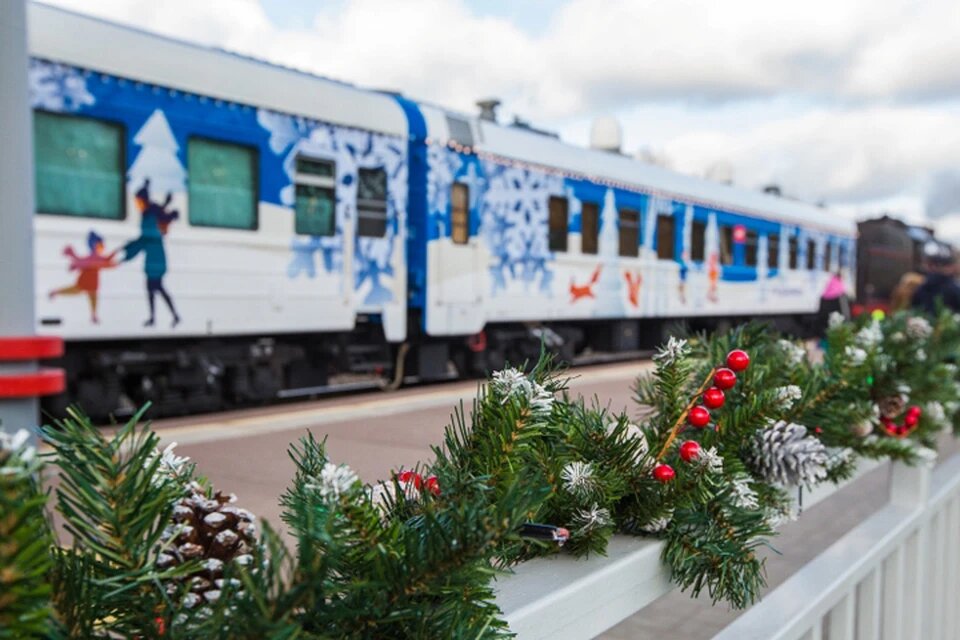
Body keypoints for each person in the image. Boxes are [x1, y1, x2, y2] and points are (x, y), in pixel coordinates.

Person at [123, 179, 181, 327]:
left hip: (156, 256)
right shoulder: (149, 213)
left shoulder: (150, 215)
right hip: (153, 257)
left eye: (138, 201)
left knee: (155, 287)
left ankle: (163, 317)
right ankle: (162, 317)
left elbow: (146, 237)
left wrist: (129, 250)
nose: (137, 204)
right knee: (154, 287)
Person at [49, 230, 118, 323]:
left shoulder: (96, 258)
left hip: (93, 281)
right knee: (77, 291)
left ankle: (94, 315)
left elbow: (106, 261)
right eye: (100, 245)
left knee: (92, 296)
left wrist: (114, 255)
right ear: (94, 245)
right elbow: (104, 262)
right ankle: (55, 292)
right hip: (86, 279)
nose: (102, 248)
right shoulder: (94, 258)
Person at [910, 241, 960, 315]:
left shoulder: (922, 286)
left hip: (924, 323)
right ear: (950, 267)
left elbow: (913, 307)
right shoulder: (954, 288)